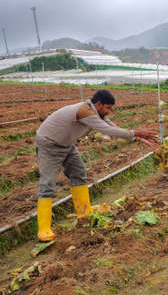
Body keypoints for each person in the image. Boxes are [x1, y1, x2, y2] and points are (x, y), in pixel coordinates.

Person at [35, 90, 159, 242]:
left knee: (79, 174)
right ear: (98, 104)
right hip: (49, 144)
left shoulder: (98, 114)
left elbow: (114, 129)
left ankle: (84, 213)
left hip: (67, 144)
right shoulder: (84, 111)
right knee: (47, 183)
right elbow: (106, 130)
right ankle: (43, 229)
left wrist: (138, 138)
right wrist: (136, 132)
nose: (109, 111)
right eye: (108, 107)